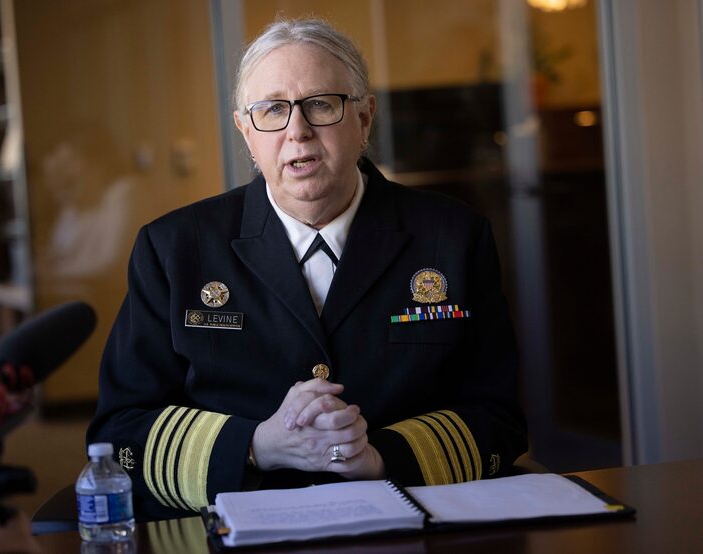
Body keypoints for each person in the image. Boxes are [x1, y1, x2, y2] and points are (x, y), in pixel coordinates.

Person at [87, 18, 527, 521]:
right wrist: (256, 445)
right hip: (235, 525)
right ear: (246, 131)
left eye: (321, 104)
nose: (297, 130)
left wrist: (381, 457)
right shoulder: (173, 249)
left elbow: (499, 416)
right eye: (273, 109)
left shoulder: (453, 238)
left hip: (406, 522)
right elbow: (118, 432)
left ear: (364, 118)